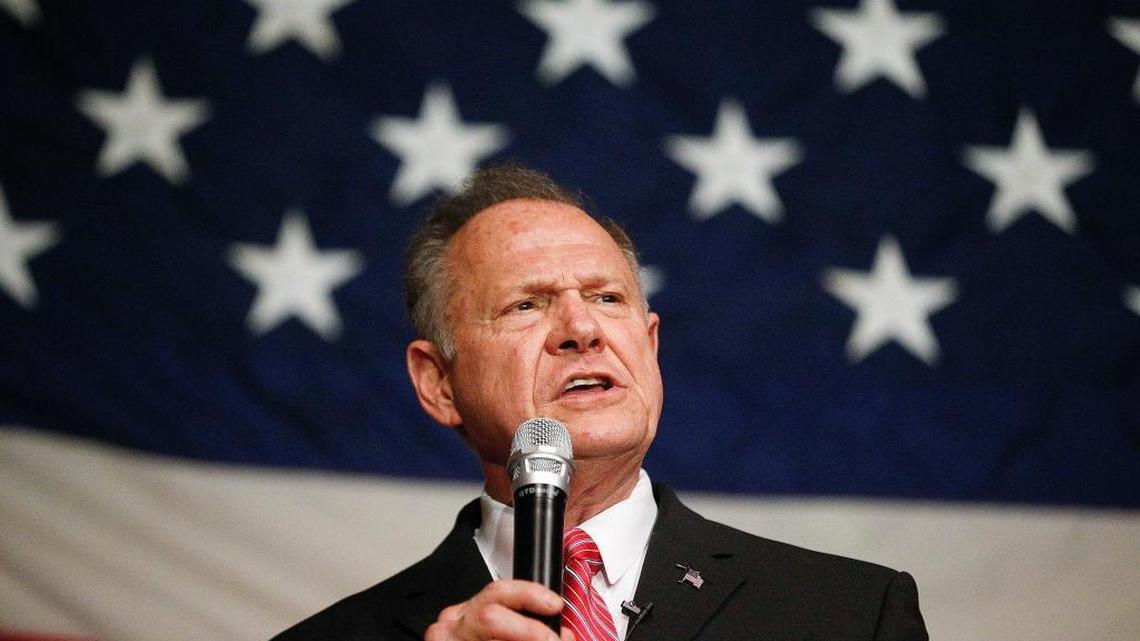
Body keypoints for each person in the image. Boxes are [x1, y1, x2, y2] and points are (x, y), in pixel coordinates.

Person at [272, 164, 928, 641]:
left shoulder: (850, 615)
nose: (582, 329)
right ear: (439, 383)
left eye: (607, 298)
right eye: (526, 304)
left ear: (650, 344)